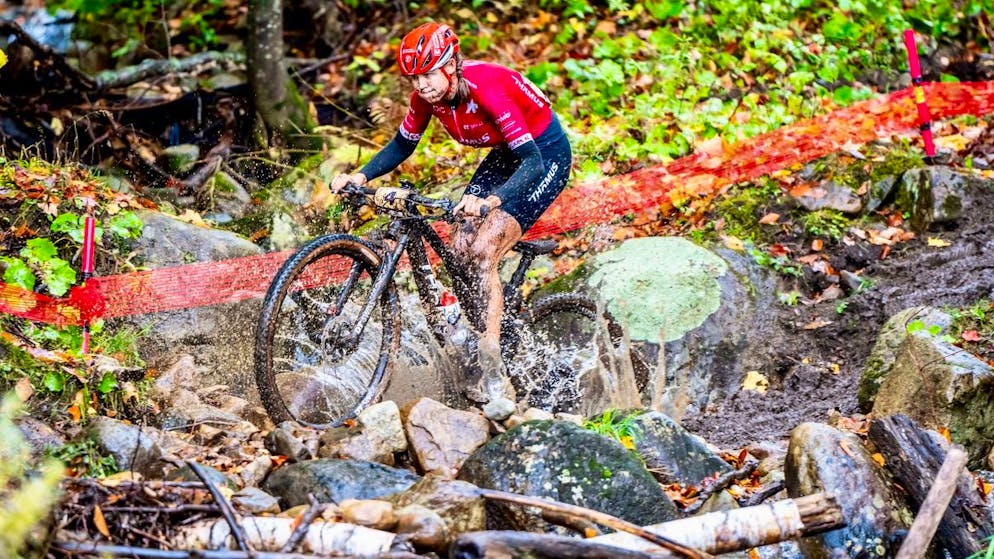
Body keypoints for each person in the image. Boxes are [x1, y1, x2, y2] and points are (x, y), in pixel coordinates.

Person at [331, 22, 572, 419]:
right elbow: (403, 144)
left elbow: (530, 162)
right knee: (458, 244)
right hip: (506, 155)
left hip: (543, 155)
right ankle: (481, 317)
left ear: (451, 65)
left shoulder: (488, 90)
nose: (421, 85)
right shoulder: (427, 97)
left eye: (428, 74)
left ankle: (492, 365)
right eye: (414, 77)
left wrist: (492, 201)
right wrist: (361, 176)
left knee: (481, 249)